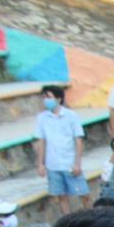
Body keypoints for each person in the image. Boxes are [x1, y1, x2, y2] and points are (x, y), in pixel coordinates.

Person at [33, 85, 87, 216]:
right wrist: (40, 164)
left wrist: (77, 163)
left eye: (49, 97)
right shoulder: (42, 118)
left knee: (84, 195)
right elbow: (41, 142)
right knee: (62, 197)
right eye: (44, 97)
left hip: (69, 163)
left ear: (58, 98)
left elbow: (78, 140)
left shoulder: (71, 116)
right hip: (53, 165)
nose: (45, 100)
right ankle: (68, 222)